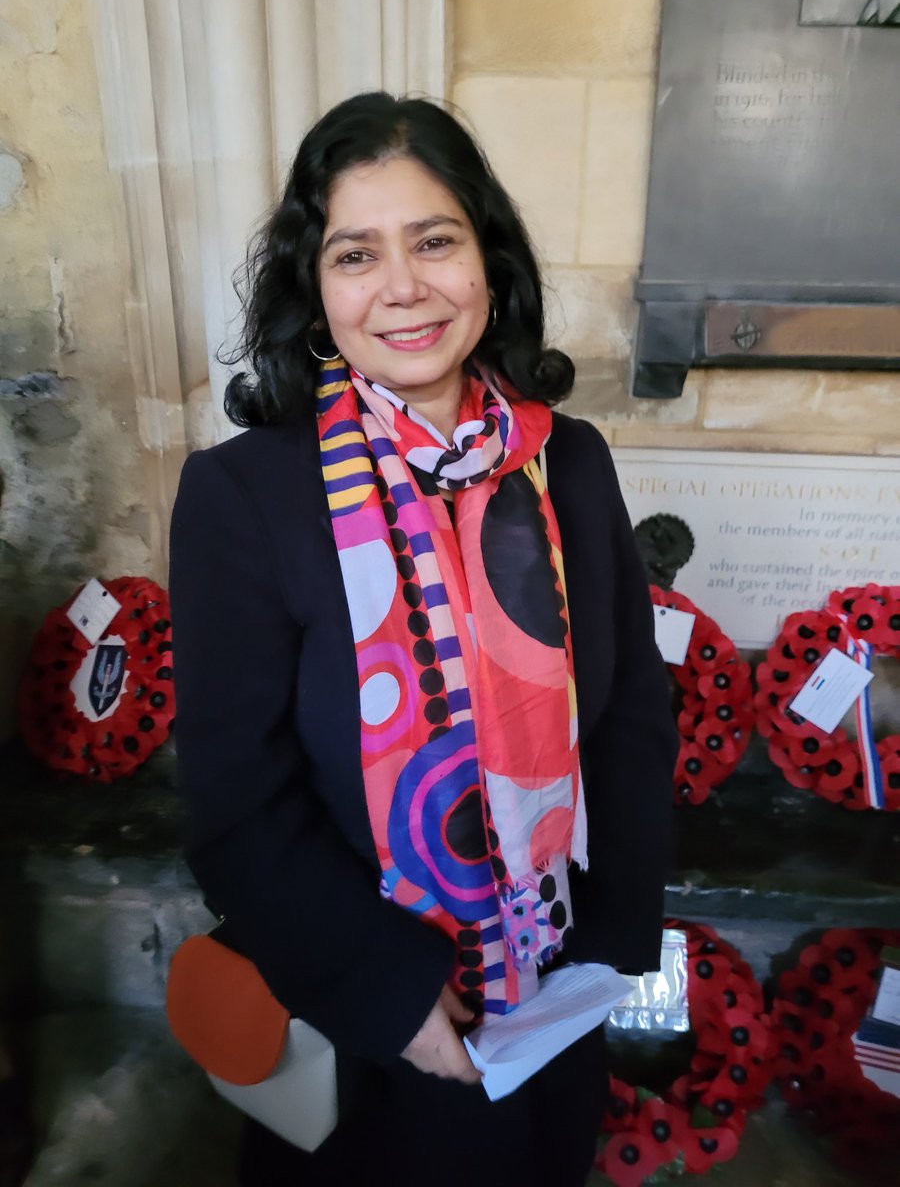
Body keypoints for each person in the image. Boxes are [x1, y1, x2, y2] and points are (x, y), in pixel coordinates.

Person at [169, 92, 677, 1187]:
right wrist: (385, 990)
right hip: (369, 1015)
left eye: (435, 241)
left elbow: (632, 709)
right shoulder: (244, 495)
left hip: (555, 990)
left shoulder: (569, 462)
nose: (402, 286)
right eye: (356, 253)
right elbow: (232, 793)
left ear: (488, 265)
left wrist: (606, 943)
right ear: (318, 291)